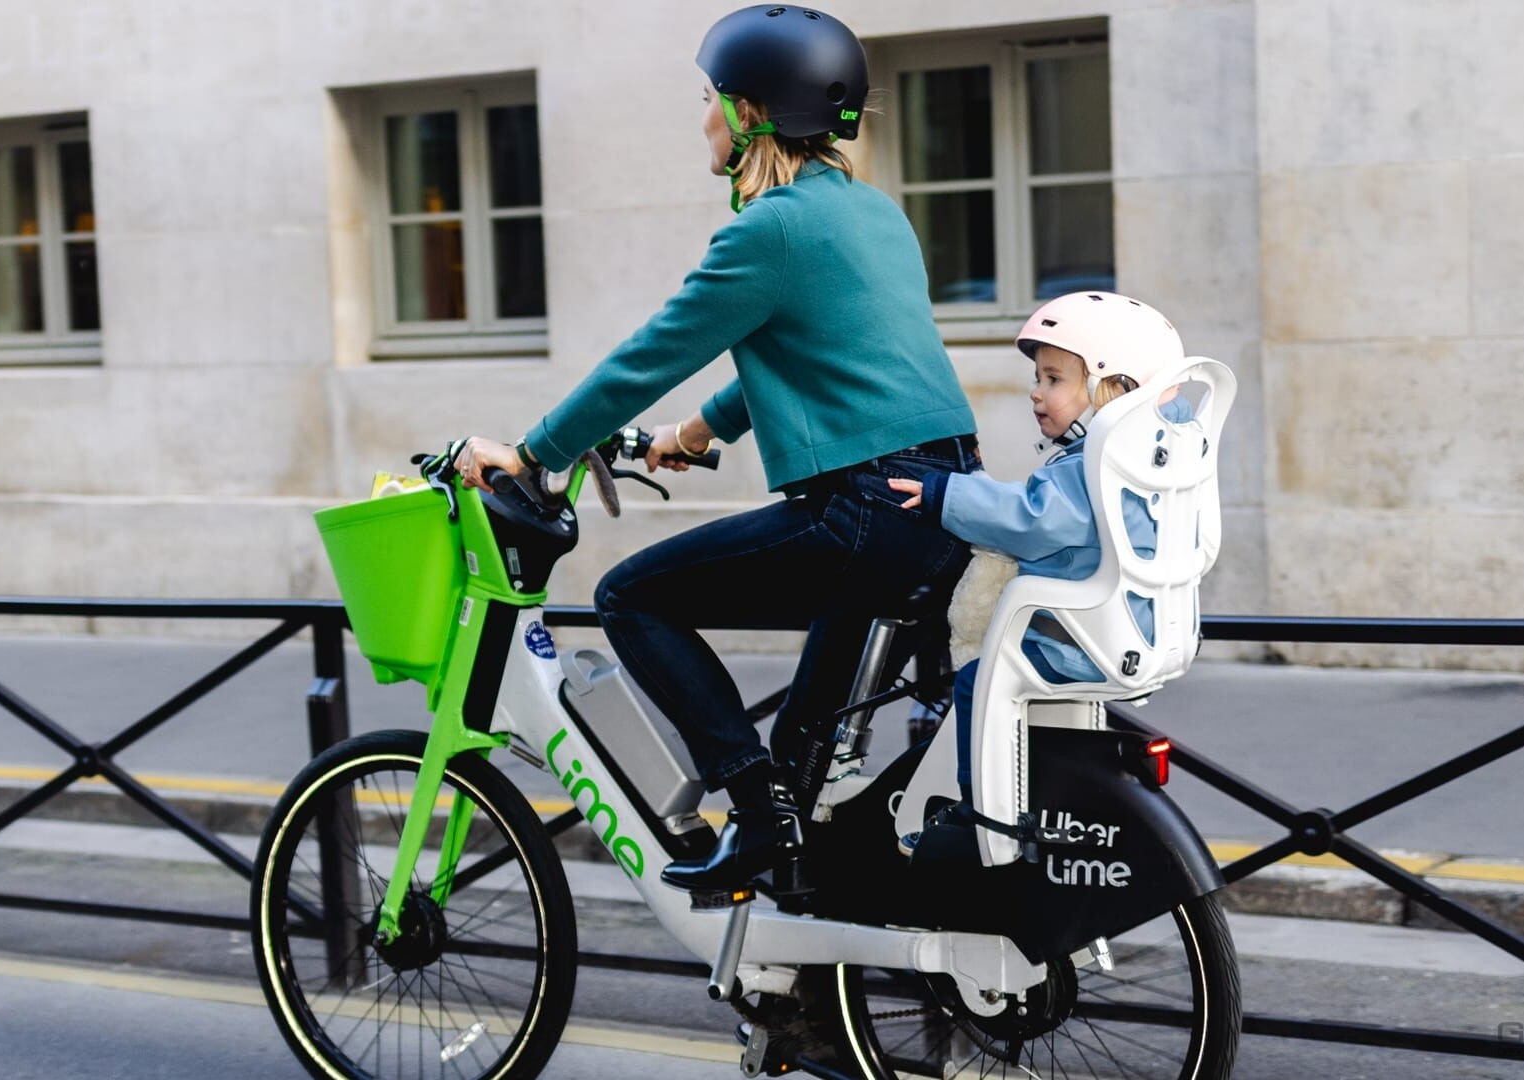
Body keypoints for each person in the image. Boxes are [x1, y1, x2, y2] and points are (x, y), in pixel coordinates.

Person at [451, 4, 977, 891]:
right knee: (806, 761)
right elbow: (820, 349)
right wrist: (696, 434)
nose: (701, 116)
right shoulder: (871, 215)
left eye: (709, 98)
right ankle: (803, 956)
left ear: (748, 114)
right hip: (942, 502)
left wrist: (533, 453)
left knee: (632, 596)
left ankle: (755, 811)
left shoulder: (765, 231)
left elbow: (652, 353)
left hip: (864, 510)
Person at [886, 290, 1191, 855]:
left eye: (1054, 378)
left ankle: (982, 819)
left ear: (1113, 388)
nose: (1036, 392)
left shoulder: (1091, 465)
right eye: (1038, 377)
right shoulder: (1158, 455)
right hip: (1142, 630)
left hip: (1075, 637)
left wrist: (944, 494)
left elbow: (1031, 517)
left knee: (980, 681)